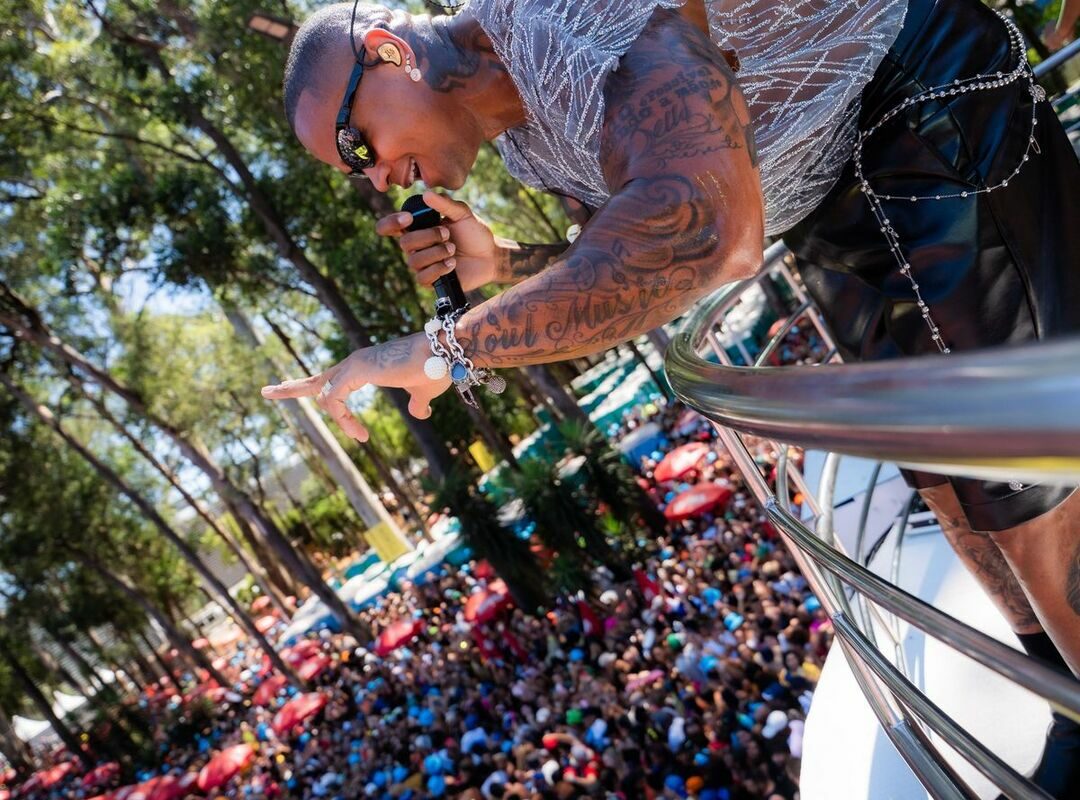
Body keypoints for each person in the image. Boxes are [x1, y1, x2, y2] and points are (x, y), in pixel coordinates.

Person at [263, 1, 1079, 794]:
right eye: (354, 172)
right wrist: (503, 265)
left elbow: (707, 230)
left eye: (358, 143)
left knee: (1019, 471)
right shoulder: (523, 140)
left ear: (389, 51)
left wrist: (445, 349)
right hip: (831, 194)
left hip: (916, 104)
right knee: (944, 475)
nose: (377, 178)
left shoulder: (554, 21)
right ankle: (1062, 690)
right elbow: (633, 236)